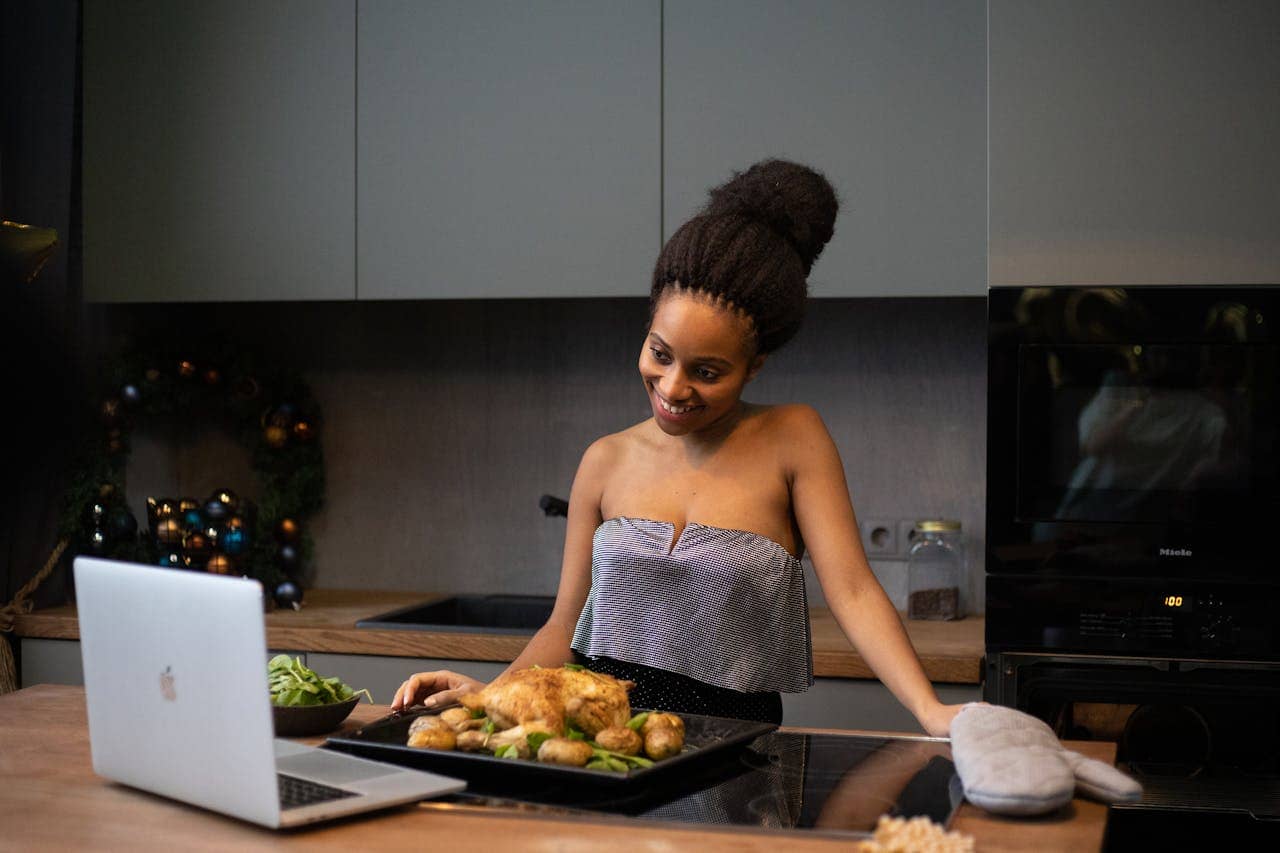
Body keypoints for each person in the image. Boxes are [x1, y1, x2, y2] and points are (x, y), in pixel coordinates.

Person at [393, 159, 965, 736]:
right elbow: (562, 629)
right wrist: (484, 698)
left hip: (739, 756)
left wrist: (929, 710)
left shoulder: (795, 439)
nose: (672, 389)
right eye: (659, 354)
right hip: (605, 747)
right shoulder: (604, 461)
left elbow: (854, 591)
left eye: (707, 371)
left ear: (754, 366)